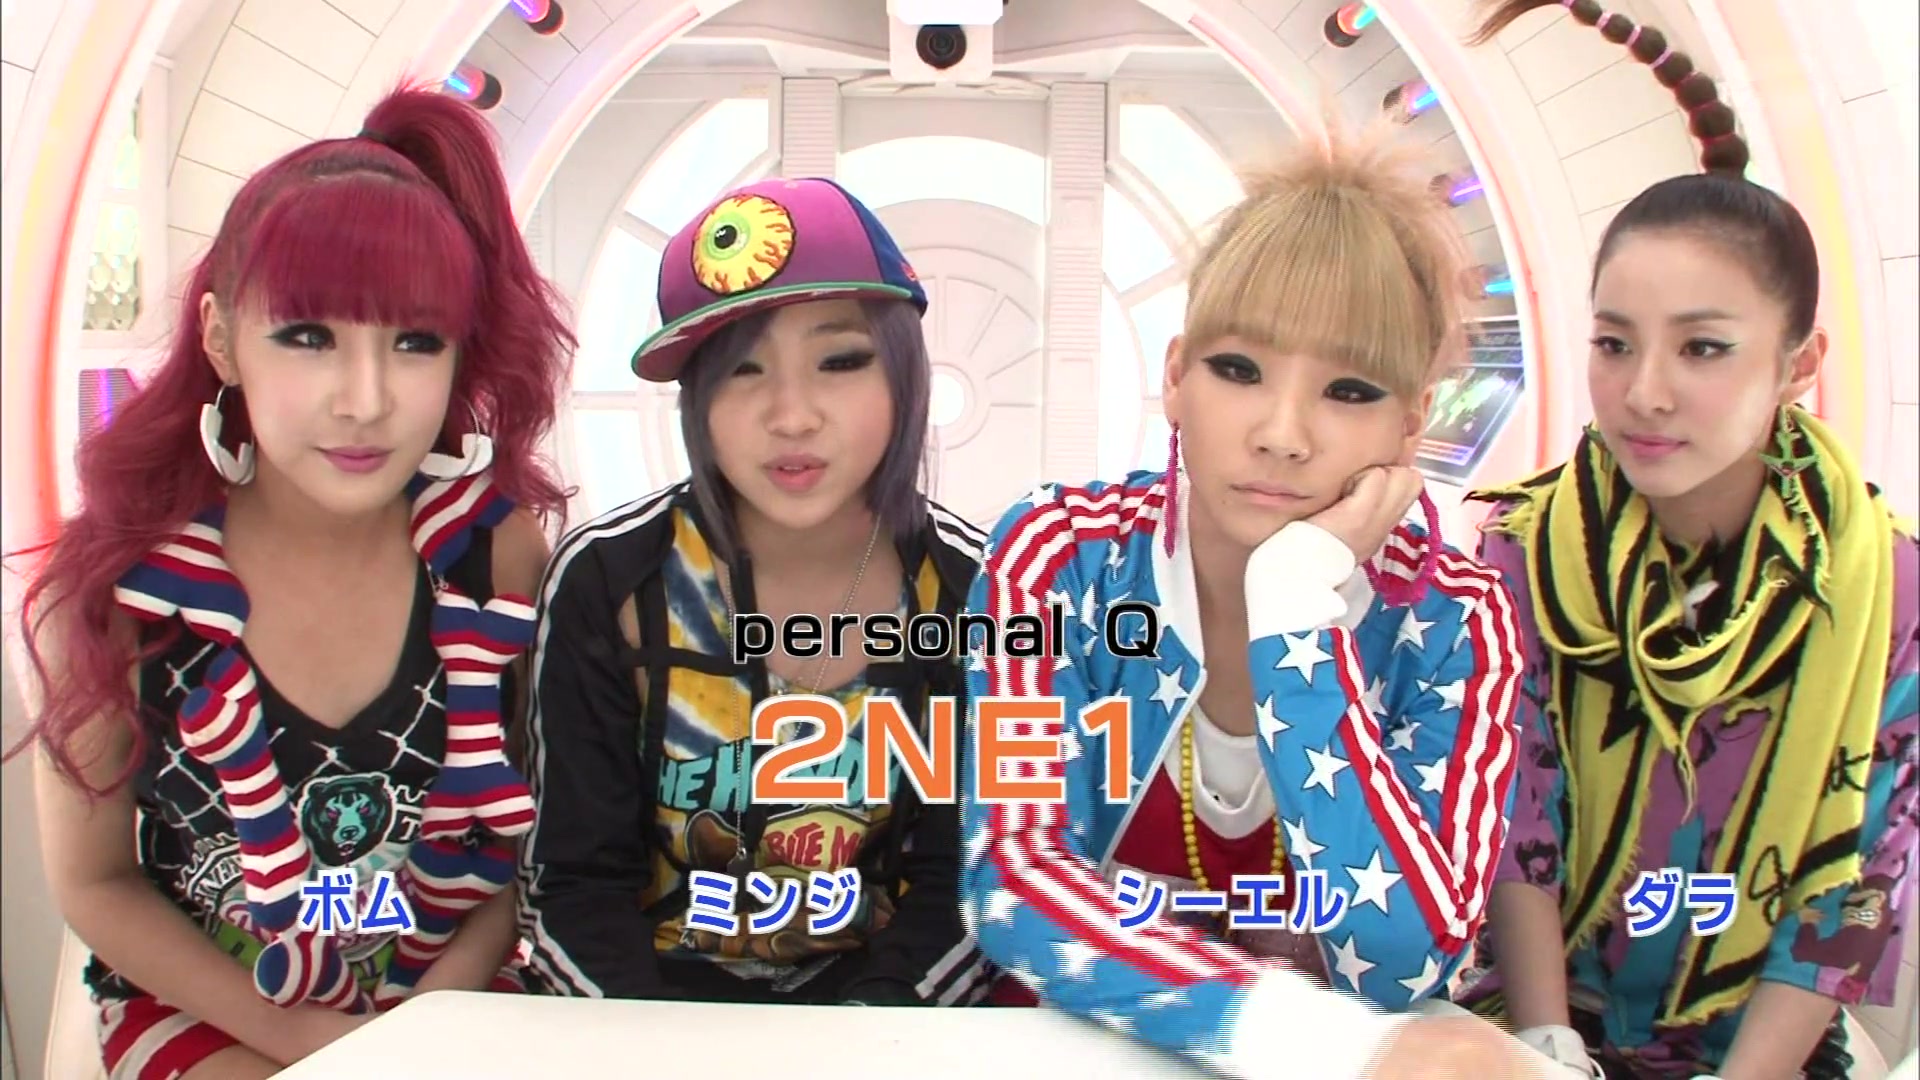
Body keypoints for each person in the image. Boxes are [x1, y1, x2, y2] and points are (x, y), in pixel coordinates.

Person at [956, 113, 1540, 1079]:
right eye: (1239, 370)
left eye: (1349, 391)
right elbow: (1016, 878)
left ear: (1412, 423)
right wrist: (1303, 1036)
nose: (1281, 433)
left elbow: (1406, 959)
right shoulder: (1060, 556)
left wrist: (1296, 611)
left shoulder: (1455, 617)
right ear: (1176, 376)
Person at [13, 85, 574, 1079]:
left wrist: (421, 1033)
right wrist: (314, 1050)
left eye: (415, 342)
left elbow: (521, 836)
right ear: (221, 337)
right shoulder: (117, 589)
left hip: (455, 993)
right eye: (309, 337)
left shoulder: (494, 553)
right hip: (212, 1006)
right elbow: (95, 883)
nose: (365, 400)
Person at [1457, 4, 1920, 1078]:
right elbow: (1517, 817)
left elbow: (1857, 883)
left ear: (1799, 365)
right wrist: (1546, 1044)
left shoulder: (1888, 588)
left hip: (1763, 1041)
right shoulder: (1523, 552)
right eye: (1614, 344)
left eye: (1703, 348)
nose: (1645, 394)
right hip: (1536, 1018)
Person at [517, 177, 989, 1007]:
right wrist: (656, 1052)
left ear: (906, 375)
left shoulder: (977, 591)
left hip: (887, 1026)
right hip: (642, 1020)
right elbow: (572, 884)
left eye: (840, 361)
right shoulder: (609, 580)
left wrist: (872, 1038)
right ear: (695, 399)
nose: (792, 416)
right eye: (742, 369)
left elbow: (961, 888)